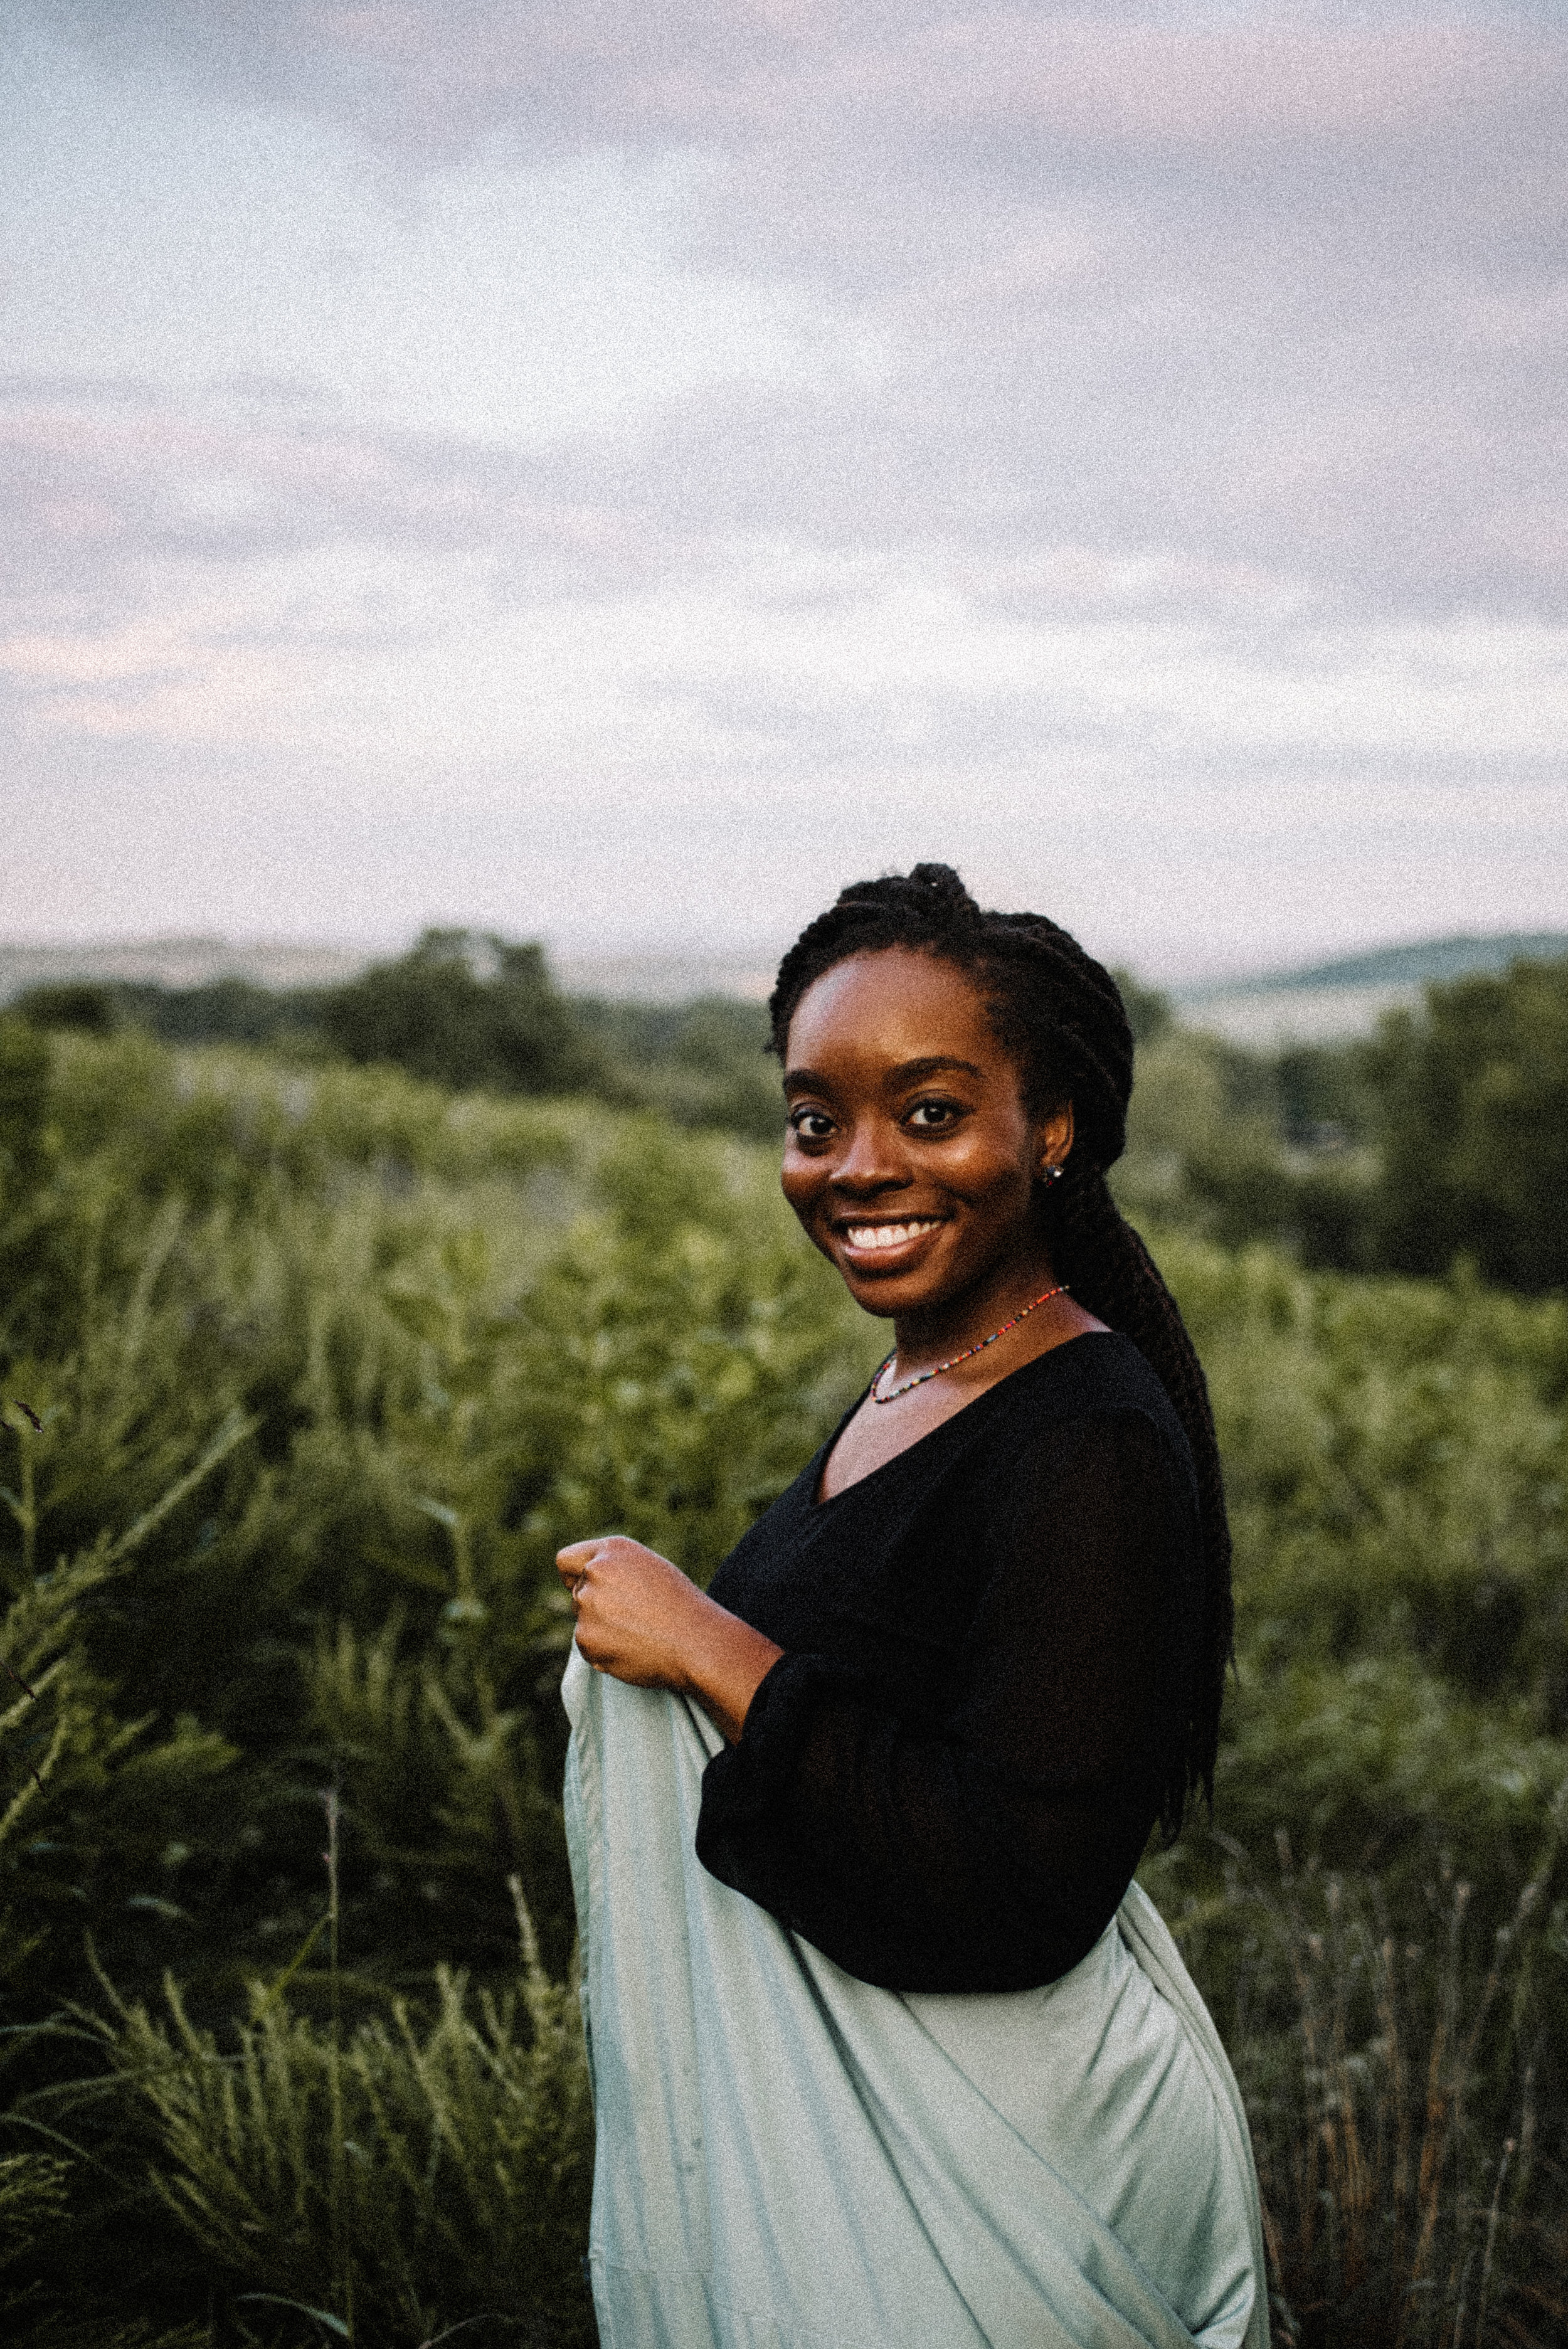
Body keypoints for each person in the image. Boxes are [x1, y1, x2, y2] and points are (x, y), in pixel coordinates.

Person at [556, 864, 1267, 2349]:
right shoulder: (923, 1372)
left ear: (1050, 1130)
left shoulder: (1089, 1439)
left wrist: (706, 1643)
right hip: (898, 2132)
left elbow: (1021, 1884)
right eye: (815, 1122)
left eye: (929, 1112)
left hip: (1018, 2173)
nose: (856, 1167)